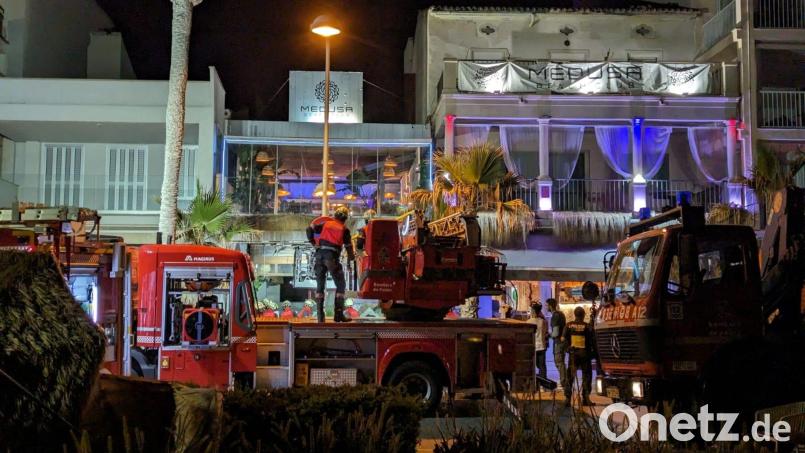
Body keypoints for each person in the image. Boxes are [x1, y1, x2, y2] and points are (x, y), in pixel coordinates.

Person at [306, 206, 355, 323]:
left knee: (320, 286)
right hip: (331, 258)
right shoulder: (344, 229)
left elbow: (309, 229)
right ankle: (338, 315)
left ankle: (320, 318)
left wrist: (313, 243)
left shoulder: (326, 224)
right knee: (341, 285)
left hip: (319, 257)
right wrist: (351, 260)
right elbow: (349, 248)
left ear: (335, 215)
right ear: (345, 218)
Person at [562, 306, 594, 407]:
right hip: (585, 355)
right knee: (586, 376)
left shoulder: (568, 325)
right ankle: (586, 398)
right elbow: (592, 340)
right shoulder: (587, 326)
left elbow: (563, 339)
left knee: (570, 377)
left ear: (575, 315)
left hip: (573, 355)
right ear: (583, 315)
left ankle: (567, 399)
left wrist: (568, 349)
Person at [546, 298, 567, 392]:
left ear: (550, 306)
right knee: (561, 362)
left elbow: (555, 333)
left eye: (547, 305)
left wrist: (548, 335)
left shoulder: (555, 316)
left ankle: (564, 382)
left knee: (559, 362)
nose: (546, 307)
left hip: (558, 342)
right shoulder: (561, 314)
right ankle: (565, 381)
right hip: (563, 342)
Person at [527, 302, 549, 384]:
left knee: (532, 365)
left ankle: (533, 382)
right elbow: (546, 333)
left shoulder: (528, 322)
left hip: (532, 347)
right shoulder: (544, 322)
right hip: (542, 346)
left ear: (533, 311)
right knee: (542, 365)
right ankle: (543, 382)